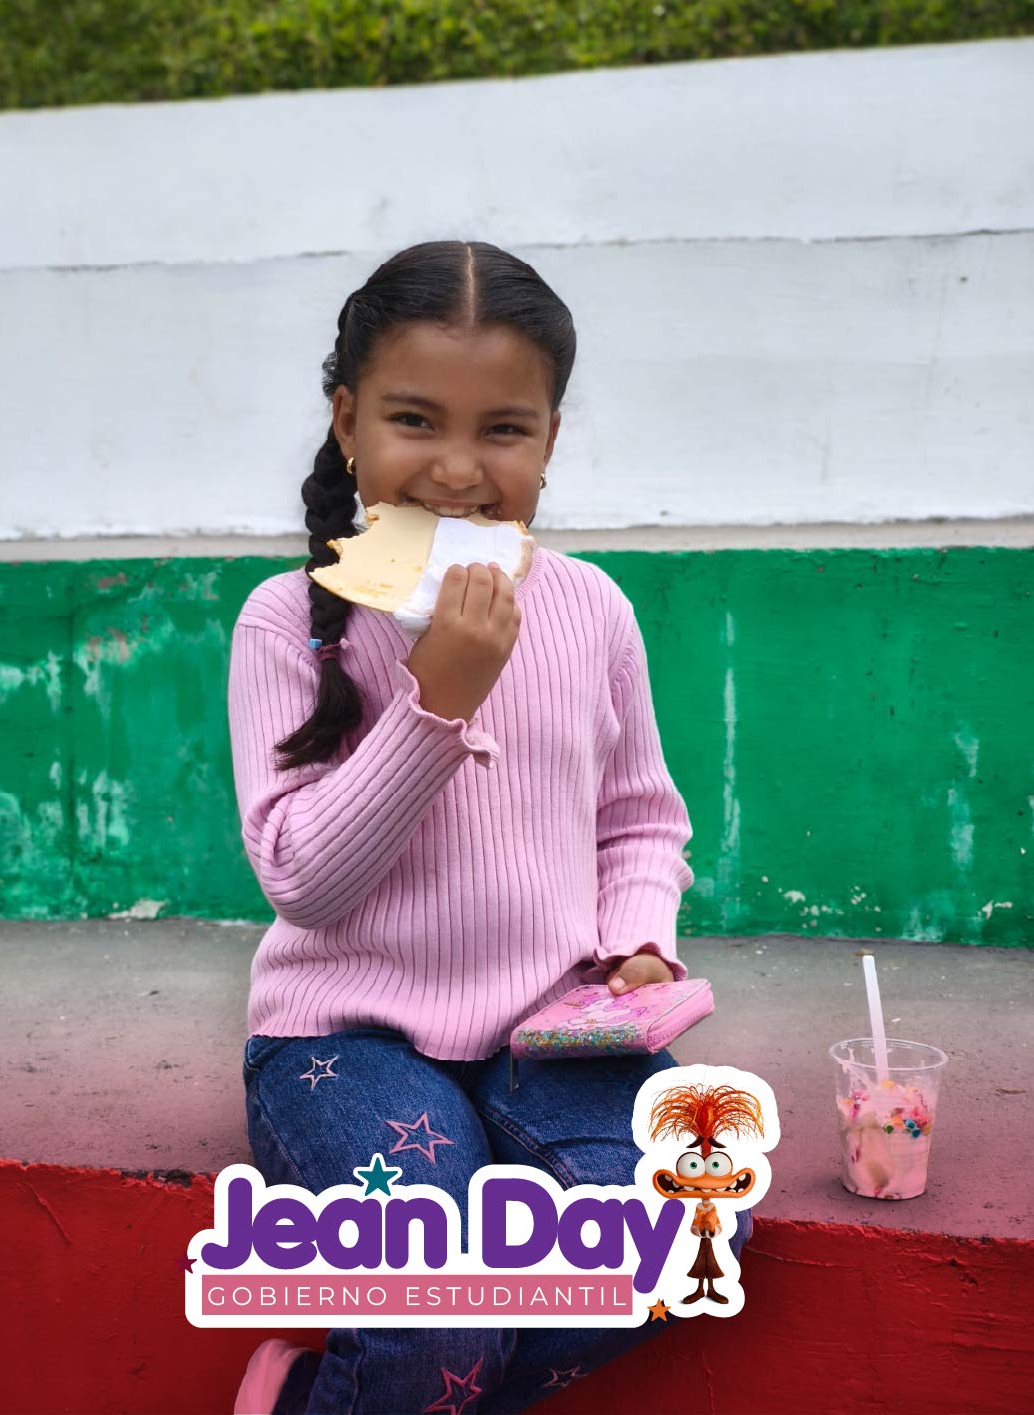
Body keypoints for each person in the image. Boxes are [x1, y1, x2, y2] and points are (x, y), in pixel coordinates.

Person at [227, 239, 752, 1415]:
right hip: (345, 1036)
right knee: (433, 1299)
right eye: (414, 419)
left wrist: (638, 940)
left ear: (549, 440)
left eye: (503, 430)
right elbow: (300, 878)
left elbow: (638, 819)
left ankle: (343, 1390)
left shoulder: (591, 608)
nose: (458, 469)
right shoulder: (282, 623)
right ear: (347, 420)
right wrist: (436, 698)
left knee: (693, 1220)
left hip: (554, 1028)